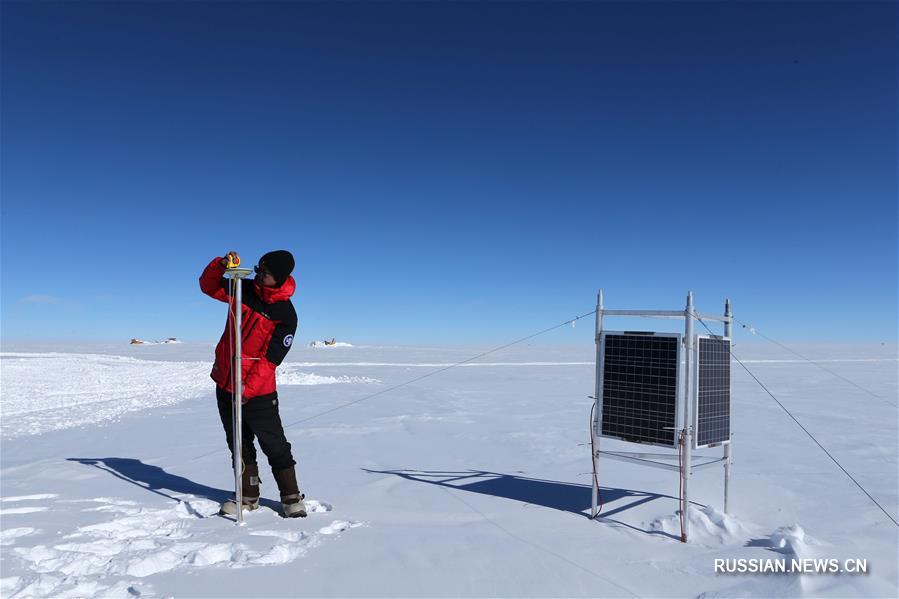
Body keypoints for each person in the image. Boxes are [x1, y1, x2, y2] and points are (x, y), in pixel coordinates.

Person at [199, 249, 306, 518]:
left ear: (279, 277)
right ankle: (248, 496)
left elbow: (271, 360)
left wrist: (247, 388)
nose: (258, 275)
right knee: (239, 443)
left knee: (274, 443)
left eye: (265, 273)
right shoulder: (241, 288)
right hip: (225, 382)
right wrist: (221, 264)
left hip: (258, 391)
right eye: (258, 269)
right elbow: (207, 285)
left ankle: (291, 497)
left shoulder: (285, 314)